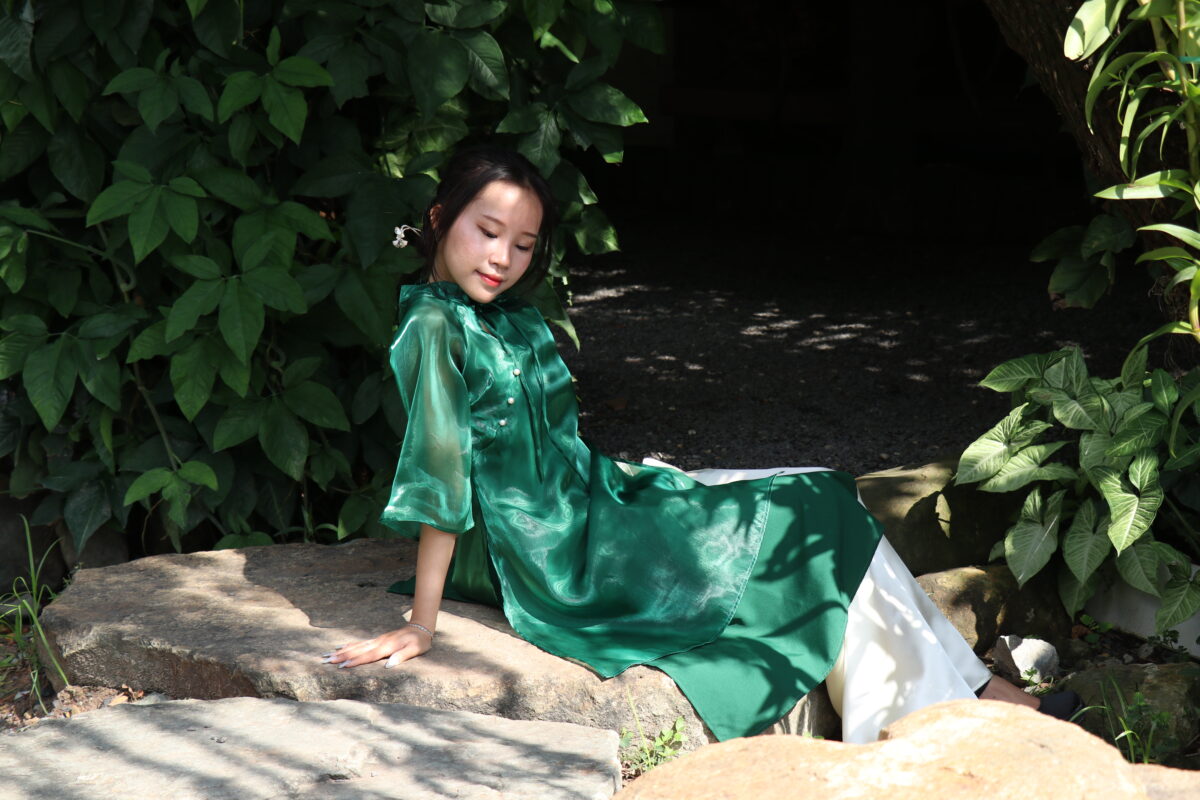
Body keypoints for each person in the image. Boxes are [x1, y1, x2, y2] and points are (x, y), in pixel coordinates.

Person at [319, 144, 1079, 742]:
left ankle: (968, 693)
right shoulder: (434, 325)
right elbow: (443, 470)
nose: (503, 259)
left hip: (591, 498)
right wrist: (422, 623)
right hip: (546, 547)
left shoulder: (498, 315)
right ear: (439, 216)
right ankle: (938, 719)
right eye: (487, 233)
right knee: (813, 506)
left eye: (522, 245)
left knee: (821, 491)